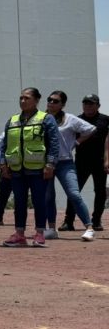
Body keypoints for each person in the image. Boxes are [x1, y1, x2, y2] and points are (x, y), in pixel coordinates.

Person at [0, 88, 60, 248]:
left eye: (26, 98)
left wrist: (50, 164)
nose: (22, 101)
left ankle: (39, 234)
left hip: (39, 169)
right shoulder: (12, 120)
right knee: (19, 202)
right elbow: (4, 145)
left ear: (36, 100)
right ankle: (19, 234)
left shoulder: (46, 119)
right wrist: (3, 165)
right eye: (21, 98)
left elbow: (54, 144)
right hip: (16, 169)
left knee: (39, 201)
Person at [42, 91, 96, 241]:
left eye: (55, 101)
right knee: (48, 197)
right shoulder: (42, 118)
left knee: (74, 194)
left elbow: (90, 129)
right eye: (49, 100)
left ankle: (89, 227)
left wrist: (76, 142)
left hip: (65, 162)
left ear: (62, 104)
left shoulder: (70, 119)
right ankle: (51, 229)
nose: (51, 103)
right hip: (45, 163)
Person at [61, 94, 109, 231]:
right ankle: (68, 221)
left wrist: (107, 160)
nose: (88, 106)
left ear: (98, 106)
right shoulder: (76, 120)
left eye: (91, 103)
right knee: (74, 191)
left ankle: (96, 221)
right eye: (85, 103)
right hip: (81, 162)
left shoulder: (105, 120)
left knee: (100, 192)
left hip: (100, 162)